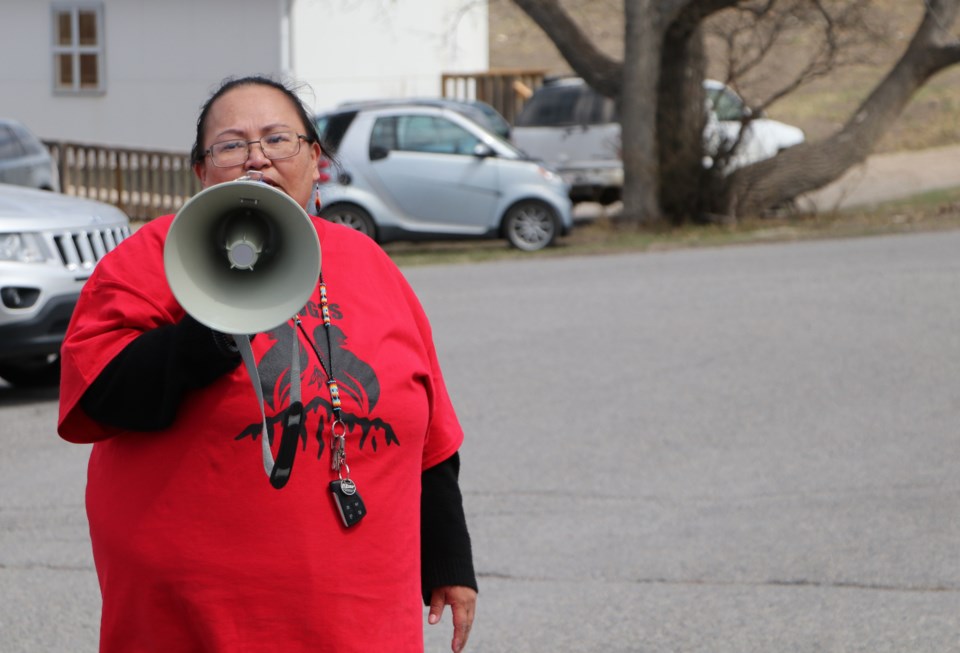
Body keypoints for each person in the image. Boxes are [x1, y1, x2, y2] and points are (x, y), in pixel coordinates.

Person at [57, 75, 477, 653]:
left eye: (278, 139)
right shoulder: (153, 258)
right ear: (201, 172)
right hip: (199, 614)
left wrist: (449, 559)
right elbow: (98, 397)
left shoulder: (368, 261)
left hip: (360, 608)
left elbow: (428, 430)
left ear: (314, 160)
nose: (256, 157)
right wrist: (208, 329)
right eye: (230, 145)